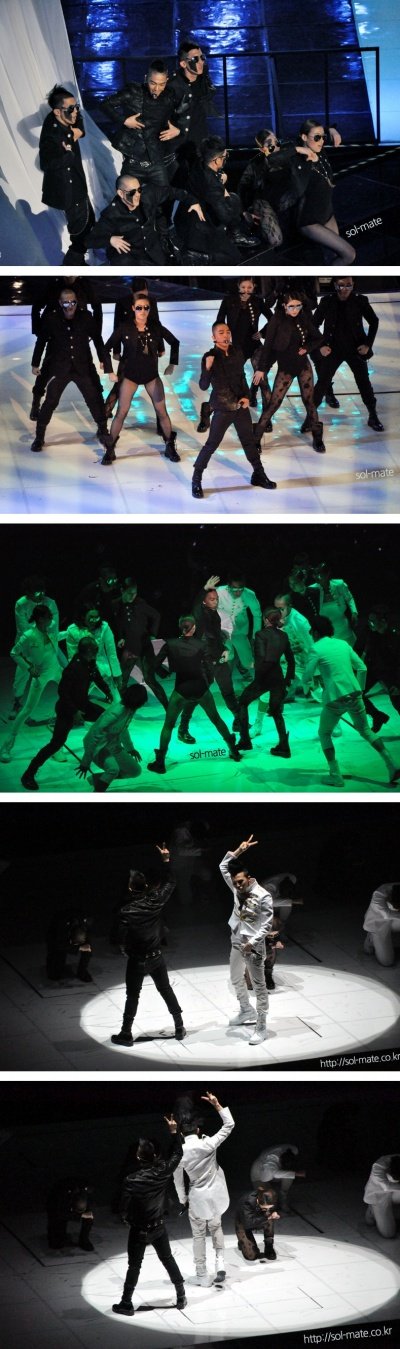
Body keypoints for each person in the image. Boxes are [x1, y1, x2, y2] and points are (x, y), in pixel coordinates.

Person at [302, 616, 400, 788]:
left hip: (335, 698)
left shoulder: (315, 648)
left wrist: (312, 690)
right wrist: (360, 690)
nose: (310, 634)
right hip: (354, 693)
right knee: (366, 730)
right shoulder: (343, 644)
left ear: (315, 632)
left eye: (311, 631)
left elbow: (306, 676)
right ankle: (391, 764)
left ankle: (335, 775)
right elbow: (362, 668)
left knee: (324, 733)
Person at [109, 843, 186, 1044]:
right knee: (166, 990)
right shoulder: (154, 901)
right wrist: (166, 860)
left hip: (137, 960)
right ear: (146, 886)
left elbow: (117, 937)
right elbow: (171, 881)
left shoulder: (125, 912)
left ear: (129, 888)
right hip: (156, 957)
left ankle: (126, 1033)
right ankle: (179, 1026)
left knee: (133, 995)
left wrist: (124, 947)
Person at [147, 615, 241, 775]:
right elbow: (209, 667)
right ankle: (234, 750)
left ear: (180, 627)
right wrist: (207, 682)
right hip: (200, 688)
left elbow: (154, 664)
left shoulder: (170, 644)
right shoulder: (201, 645)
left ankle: (160, 762)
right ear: (194, 628)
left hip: (181, 688)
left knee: (168, 725)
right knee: (216, 719)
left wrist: (164, 673)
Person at [113, 1113, 186, 1316]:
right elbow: (178, 1153)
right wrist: (174, 1132)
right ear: (154, 1156)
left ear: (138, 1157)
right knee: (168, 1259)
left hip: (139, 1230)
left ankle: (126, 1303)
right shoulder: (162, 1171)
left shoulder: (131, 1180)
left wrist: (127, 1219)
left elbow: (123, 1208)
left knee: (134, 1266)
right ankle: (181, 1295)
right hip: (159, 1226)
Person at [192, 322, 276, 498]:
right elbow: (203, 385)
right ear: (214, 337)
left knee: (249, 441)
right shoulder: (210, 356)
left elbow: (241, 377)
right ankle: (196, 479)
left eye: (228, 332)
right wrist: (207, 368)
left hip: (240, 406)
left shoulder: (237, 351)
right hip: (222, 408)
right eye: (221, 333)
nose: (225, 335)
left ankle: (259, 474)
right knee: (211, 445)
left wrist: (247, 396)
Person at [21, 637, 112, 791]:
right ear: (88, 651)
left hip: (83, 704)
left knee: (107, 718)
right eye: (95, 649)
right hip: (67, 710)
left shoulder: (89, 663)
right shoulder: (73, 668)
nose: (97, 651)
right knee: (56, 743)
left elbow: (97, 677)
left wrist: (108, 692)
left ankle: (107, 754)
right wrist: (74, 712)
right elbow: (63, 692)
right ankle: (28, 774)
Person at [30, 289, 114, 456]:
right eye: (66, 303)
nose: (70, 306)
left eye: (73, 302)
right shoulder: (51, 319)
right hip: (60, 368)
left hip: (82, 367)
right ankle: (39, 437)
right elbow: (41, 342)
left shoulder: (86, 317)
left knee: (94, 399)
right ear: (60, 303)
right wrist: (35, 363)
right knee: (50, 401)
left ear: (77, 302)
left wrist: (105, 361)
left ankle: (103, 430)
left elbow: (98, 340)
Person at [102, 293, 180, 464]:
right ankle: (110, 449)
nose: (143, 311)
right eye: (139, 308)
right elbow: (105, 348)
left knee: (162, 411)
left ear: (149, 309)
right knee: (121, 412)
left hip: (151, 375)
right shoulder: (125, 327)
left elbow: (174, 342)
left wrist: (172, 364)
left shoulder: (155, 327)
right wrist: (109, 371)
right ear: (133, 308)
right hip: (130, 375)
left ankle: (170, 446)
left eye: (146, 308)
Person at [252, 288, 326, 453]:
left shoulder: (303, 317)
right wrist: (262, 369)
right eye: (291, 306)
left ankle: (317, 436)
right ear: (284, 306)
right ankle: (256, 438)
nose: (295, 309)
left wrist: (307, 348)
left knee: (309, 402)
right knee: (274, 404)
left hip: (303, 365)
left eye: (298, 306)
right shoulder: (277, 320)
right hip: (286, 368)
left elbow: (319, 337)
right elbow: (268, 346)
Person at [174, 1091, 235, 1286]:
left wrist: (183, 1200)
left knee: (198, 1235)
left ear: (181, 1133)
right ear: (198, 1130)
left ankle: (201, 1275)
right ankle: (220, 1263)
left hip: (198, 1199)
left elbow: (178, 1181)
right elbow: (229, 1125)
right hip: (217, 1196)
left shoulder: (179, 1154)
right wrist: (217, 1104)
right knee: (216, 1226)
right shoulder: (209, 1143)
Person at [309, 278, 384, 433]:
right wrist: (321, 345)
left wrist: (368, 344)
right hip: (332, 349)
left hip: (355, 349)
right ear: (335, 285)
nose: (345, 289)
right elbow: (313, 325)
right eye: (341, 285)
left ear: (353, 285)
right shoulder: (327, 301)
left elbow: (374, 321)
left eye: (348, 285)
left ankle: (373, 415)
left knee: (363, 382)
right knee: (322, 382)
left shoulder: (360, 301)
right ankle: (310, 418)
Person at [219, 834, 274, 1045]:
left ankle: (262, 1026)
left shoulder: (263, 896)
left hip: (254, 947)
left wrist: (253, 942)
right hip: (237, 940)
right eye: (235, 883)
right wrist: (239, 851)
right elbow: (223, 866)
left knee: (259, 987)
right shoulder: (235, 888)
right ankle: (245, 1010)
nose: (238, 886)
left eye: (240, 882)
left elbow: (266, 925)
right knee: (235, 978)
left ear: (249, 879)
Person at [197, 279, 272, 432]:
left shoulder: (258, 301)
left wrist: (263, 332)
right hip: (235, 348)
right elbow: (219, 321)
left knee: (263, 380)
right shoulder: (229, 300)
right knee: (226, 383)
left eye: (249, 287)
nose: (246, 290)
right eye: (243, 287)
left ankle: (266, 418)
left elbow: (273, 319)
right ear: (238, 286)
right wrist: (223, 341)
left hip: (254, 345)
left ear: (254, 287)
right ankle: (208, 408)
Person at [102, 59, 183, 194]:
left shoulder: (169, 95)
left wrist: (177, 129)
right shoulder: (133, 92)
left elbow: (179, 116)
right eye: (153, 83)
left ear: (167, 81)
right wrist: (124, 120)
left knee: (164, 195)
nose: (157, 89)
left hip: (156, 158)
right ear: (146, 78)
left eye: (161, 84)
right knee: (128, 195)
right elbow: (105, 105)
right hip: (134, 159)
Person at [87, 173, 204, 263]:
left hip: (153, 252)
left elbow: (170, 192)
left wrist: (192, 201)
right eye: (132, 192)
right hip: (129, 257)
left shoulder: (147, 195)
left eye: (139, 190)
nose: (137, 195)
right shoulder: (111, 214)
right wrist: (110, 240)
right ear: (121, 193)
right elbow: (89, 240)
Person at [39, 85, 95, 264]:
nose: (76, 112)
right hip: (68, 189)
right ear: (57, 111)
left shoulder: (60, 117)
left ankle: (78, 263)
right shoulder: (52, 135)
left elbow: (79, 119)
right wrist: (68, 155)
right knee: (81, 232)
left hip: (76, 183)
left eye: (76, 106)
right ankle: (71, 268)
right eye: (71, 109)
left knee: (88, 223)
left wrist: (79, 131)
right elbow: (46, 164)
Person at [178, 577, 239, 741]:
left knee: (228, 690)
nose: (215, 601)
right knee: (196, 696)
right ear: (204, 601)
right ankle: (182, 729)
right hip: (204, 663)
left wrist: (225, 649)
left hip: (218, 659)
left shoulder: (215, 615)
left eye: (217, 599)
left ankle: (239, 720)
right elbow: (196, 605)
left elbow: (217, 637)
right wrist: (204, 589)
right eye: (212, 599)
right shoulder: (199, 614)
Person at [0, 605, 62, 762]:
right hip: (40, 674)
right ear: (40, 619)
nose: (51, 619)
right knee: (27, 709)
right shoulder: (29, 635)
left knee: (68, 702)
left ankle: (57, 747)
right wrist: (28, 668)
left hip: (56, 671)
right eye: (48, 616)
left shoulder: (51, 628)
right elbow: (14, 653)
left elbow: (58, 637)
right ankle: (6, 747)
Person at [291, 118, 355, 263]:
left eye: (323, 137)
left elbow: (319, 130)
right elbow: (275, 156)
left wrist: (332, 130)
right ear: (304, 137)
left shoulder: (319, 150)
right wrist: (298, 149)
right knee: (349, 254)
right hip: (309, 221)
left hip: (327, 214)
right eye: (317, 138)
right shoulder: (298, 161)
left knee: (334, 256)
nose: (321, 141)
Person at [177, 137, 251, 262]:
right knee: (235, 258)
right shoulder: (212, 184)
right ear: (216, 161)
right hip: (200, 227)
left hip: (188, 217)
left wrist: (218, 177)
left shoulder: (198, 164)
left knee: (233, 198)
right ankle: (203, 257)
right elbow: (226, 216)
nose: (226, 159)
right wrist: (224, 191)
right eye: (225, 157)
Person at [237, 608, 295, 758]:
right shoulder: (283, 635)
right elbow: (291, 660)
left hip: (264, 678)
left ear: (266, 620)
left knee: (242, 702)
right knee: (276, 712)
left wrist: (257, 675)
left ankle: (245, 740)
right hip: (278, 678)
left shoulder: (260, 634)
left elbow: (262, 658)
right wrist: (287, 681)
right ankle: (284, 746)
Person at [77, 683, 147, 791]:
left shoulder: (130, 709)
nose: (141, 706)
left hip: (113, 745)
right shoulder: (115, 713)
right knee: (113, 769)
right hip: (98, 747)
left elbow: (123, 729)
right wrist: (85, 762)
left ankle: (98, 779)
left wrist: (130, 748)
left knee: (135, 771)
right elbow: (95, 736)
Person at [10, 576, 60, 718]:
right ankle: (17, 703)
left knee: (61, 674)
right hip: (28, 646)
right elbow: (23, 628)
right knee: (21, 677)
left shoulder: (50, 603)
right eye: (37, 593)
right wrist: (40, 629)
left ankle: (69, 705)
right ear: (28, 592)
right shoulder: (21, 604)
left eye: (43, 592)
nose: (41, 595)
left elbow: (54, 625)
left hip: (47, 644)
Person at [115, 577, 168, 708]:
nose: (133, 596)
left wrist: (152, 634)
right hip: (130, 647)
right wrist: (120, 637)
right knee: (122, 681)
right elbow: (116, 623)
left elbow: (156, 615)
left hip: (144, 645)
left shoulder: (140, 603)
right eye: (130, 593)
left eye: (135, 593)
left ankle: (168, 708)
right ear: (122, 590)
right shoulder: (116, 604)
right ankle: (126, 709)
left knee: (150, 679)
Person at [238, 130, 285, 248]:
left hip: (285, 203)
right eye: (270, 144)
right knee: (276, 240)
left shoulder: (288, 156)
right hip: (264, 203)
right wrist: (243, 211)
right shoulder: (255, 164)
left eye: (277, 142)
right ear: (262, 149)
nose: (275, 146)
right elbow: (242, 188)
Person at [64, 606, 122, 701]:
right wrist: (76, 675)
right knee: (80, 700)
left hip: (103, 669)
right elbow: (72, 656)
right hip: (83, 670)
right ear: (83, 616)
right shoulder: (72, 630)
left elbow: (112, 653)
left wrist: (116, 674)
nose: (94, 620)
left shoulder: (104, 627)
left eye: (96, 617)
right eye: (91, 617)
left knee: (116, 700)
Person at [360, 607, 400, 733]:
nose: (370, 624)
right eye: (369, 621)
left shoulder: (395, 637)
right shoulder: (371, 634)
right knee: (356, 694)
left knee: (397, 702)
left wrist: (397, 684)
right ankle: (377, 716)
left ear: (382, 621)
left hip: (391, 674)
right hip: (375, 671)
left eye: (373, 621)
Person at [216, 576, 262, 684]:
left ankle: (243, 667)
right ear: (228, 586)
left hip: (240, 629)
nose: (238, 592)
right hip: (223, 630)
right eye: (234, 589)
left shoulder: (249, 594)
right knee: (228, 655)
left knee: (248, 661)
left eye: (241, 589)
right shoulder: (219, 592)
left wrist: (256, 636)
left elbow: (257, 614)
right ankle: (226, 680)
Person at [274, 592, 314, 697]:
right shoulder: (278, 617)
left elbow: (310, 643)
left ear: (289, 606)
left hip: (301, 660)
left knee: (314, 687)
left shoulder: (300, 622)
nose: (277, 612)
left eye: (281, 609)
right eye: (276, 608)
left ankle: (329, 703)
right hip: (286, 659)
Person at [309, 562, 358, 645]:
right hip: (326, 632)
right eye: (315, 574)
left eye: (320, 574)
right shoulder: (311, 590)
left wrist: (354, 612)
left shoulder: (339, 584)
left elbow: (349, 598)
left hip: (343, 627)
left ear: (327, 573)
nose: (317, 577)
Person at [250, 1144, 304, 1211]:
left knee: (289, 1175)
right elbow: (269, 1176)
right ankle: (271, 1194)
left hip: (275, 1170)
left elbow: (285, 1172)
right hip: (259, 1174)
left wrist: (292, 1172)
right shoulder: (272, 1160)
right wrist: (297, 1174)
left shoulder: (292, 1150)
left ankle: (283, 1195)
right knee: (269, 1206)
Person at [47, 1177, 94, 1251]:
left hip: (77, 1197)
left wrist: (84, 1214)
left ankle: (84, 1240)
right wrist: (80, 1215)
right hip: (58, 1204)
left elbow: (87, 1211)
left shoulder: (86, 1194)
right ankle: (57, 1236)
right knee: (56, 1243)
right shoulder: (61, 1196)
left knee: (89, 1217)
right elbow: (59, 1214)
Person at [46, 909, 93, 982]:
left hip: (73, 930)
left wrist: (85, 946)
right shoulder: (60, 925)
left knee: (88, 949)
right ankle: (54, 967)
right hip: (56, 941)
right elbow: (58, 945)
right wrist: (79, 947)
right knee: (55, 974)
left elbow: (87, 940)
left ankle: (82, 972)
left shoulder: (84, 924)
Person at [235, 1185, 280, 1261]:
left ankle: (269, 1246)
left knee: (269, 1217)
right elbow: (248, 1224)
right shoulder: (246, 1202)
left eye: (270, 1208)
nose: (267, 1210)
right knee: (251, 1256)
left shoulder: (272, 1197)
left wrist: (274, 1212)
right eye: (265, 1208)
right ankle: (242, 1243)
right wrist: (267, 1217)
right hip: (244, 1222)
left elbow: (276, 1208)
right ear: (258, 1201)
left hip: (260, 1217)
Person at [363, 882, 400, 967]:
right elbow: (387, 915)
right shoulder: (379, 894)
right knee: (387, 962)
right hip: (379, 922)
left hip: (396, 920)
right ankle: (371, 938)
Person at [364, 1155, 400, 1238]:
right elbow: (386, 1186)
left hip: (396, 1191)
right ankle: (372, 1211)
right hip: (379, 1195)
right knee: (389, 1234)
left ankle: (390, 1210)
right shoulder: (378, 1166)